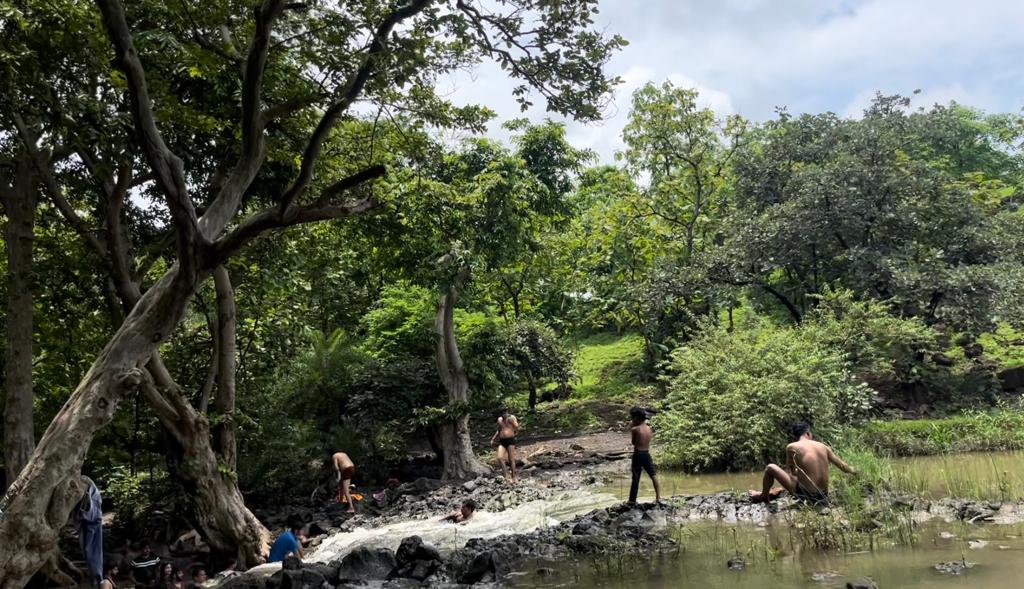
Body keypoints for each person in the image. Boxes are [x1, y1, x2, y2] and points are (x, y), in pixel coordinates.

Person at [748, 421, 857, 504]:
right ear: (808, 433)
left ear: (796, 436)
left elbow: (790, 473)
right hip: (824, 495)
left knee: (770, 467)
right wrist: (856, 471)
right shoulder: (823, 446)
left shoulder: (791, 447)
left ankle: (764, 495)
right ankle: (770, 493)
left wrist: (796, 474)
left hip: (808, 496)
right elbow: (843, 467)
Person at [72, 477, 104, 586]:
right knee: (88, 552)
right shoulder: (89, 488)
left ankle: (97, 578)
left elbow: (92, 509)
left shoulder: (90, 488)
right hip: (88, 524)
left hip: (93, 523)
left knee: (92, 552)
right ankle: (95, 577)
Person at [628, 406, 662, 505]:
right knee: (653, 475)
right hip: (646, 454)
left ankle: (632, 500)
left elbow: (634, 442)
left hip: (638, 454)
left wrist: (632, 427)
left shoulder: (635, 429)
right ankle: (658, 497)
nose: (632, 420)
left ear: (636, 418)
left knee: (636, 478)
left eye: (632, 418)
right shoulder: (649, 429)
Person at [490, 408, 520, 483]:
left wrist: (512, 423)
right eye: (503, 413)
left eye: (505, 413)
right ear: (501, 414)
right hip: (502, 441)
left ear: (507, 412)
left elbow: (517, 426)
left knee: (511, 459)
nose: (504, 415)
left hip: (510, 440)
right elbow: (499, 429)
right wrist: (493, 438)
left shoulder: (512, 418)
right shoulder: (499, 420)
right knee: (500, 458)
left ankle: (514, 477)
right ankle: (506, 475)